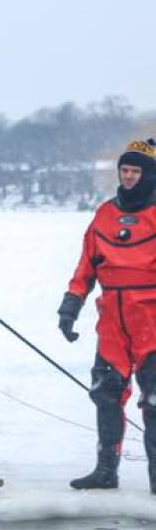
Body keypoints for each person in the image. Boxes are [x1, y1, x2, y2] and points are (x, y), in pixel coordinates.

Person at [57, 138, 156, 491]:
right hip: (112, 320)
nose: (128, 176)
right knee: (106, 393)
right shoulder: (104, 214)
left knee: (154, 400)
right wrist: (71, 306)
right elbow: (86, 266)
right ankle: (105, 471)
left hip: (151, 321)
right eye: (124, 170)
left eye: (135, 171)